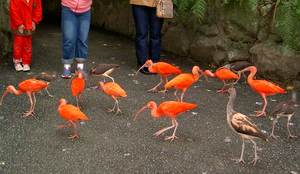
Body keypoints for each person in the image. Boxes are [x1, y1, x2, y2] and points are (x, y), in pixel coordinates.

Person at [130, 0, 164, 74]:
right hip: (139, 3)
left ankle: (154, 63)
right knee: (141, 33)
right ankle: (143, 64)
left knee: (156, 35)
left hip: (158, 3)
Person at [61, 0, 92, 78]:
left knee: (83, 38)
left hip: (85, 10)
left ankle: (80, 67)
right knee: (69, 37)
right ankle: (67, 66)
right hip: (68, 8)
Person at [9, 0, 42, 72]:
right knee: (18, 43)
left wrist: (35, 21)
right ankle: (17, 61)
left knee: (28, 43)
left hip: (29, 23)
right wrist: (19, 24)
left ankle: (26, 62)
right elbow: (13, 10)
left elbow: (38, 9)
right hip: (18, 25)